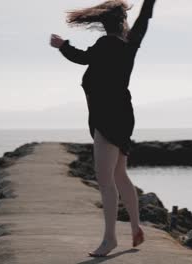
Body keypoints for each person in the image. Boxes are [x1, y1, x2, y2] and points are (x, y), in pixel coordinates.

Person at [49, 0, 157, 257]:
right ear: (122, 23)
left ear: (103, 24)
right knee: (119, 175)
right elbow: (145, 18)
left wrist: (62, 46)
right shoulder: (130, 44)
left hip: (107, 115)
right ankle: (134, 227)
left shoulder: (106, 44)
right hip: (121, 113)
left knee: (106, 180)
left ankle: (109, 239)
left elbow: (82, 58)